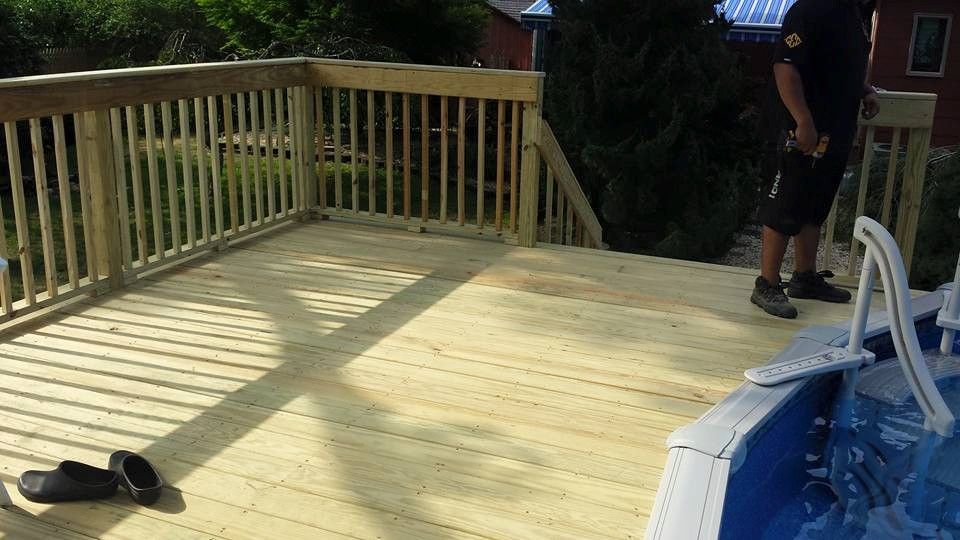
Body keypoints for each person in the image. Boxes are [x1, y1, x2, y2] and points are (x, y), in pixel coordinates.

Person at [751, 0, 881, 319]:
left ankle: (805, 278)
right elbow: (785, 65)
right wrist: (802, 120)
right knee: (785, 203)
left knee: (815, 205)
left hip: (835, 130)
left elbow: (836, 63)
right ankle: (766, 283)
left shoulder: (852, 12)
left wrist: (864, 89)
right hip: (801, 129)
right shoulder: (809, 9)